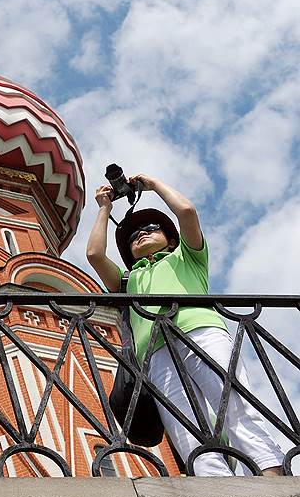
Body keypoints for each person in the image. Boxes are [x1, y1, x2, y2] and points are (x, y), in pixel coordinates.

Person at [86, 174, 283, 476]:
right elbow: (94, 254)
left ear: (170, 238)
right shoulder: (128, 279)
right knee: (184, 424)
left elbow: (187, 211)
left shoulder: (187, 257)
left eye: (151, 228)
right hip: (155, 354)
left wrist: (153, 185)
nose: (141, 234)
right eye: (133, 235)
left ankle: (268, 468)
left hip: (201, 331)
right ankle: (215, 483)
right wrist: (104, 208)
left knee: (231, 401)